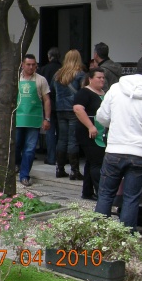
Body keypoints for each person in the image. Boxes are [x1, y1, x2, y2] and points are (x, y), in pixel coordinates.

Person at [95, 55, 142, 232]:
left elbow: (102, 117)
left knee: (105, 194)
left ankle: (99, 234)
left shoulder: (116, 89)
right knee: (132, 197)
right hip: (140, 152)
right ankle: (125, 238)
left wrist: (116, 124)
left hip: (115, 149)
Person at [15, 54, 51, 187]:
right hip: (18, 118)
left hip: (34, 119)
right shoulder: (16, 79)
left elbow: (47, 100)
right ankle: (17, 164)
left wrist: (47, 118)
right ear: (22, 65)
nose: (31, 67)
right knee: (17, 145)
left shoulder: (41, 80)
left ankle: (24, 175)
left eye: (33, 64)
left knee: (30, 149)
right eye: (28, 64)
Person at [73, 67, 107, 200]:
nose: (102, 80)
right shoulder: (84, 93)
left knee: (91, 162)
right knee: (97, 162)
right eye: (99, 77)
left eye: (103, 77)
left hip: (101, 132)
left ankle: (87, 192)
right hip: (88, 132)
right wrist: (90, 126)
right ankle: (101, 193)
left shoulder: (103, 93)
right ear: (90, 79)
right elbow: (78, 109)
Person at [52, 49, 86, 179]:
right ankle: (74, 171)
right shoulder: (80, 74)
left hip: (60, 109)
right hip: (74, 109)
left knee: (62, 138)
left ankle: (59, 169)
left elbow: (53, 90)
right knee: (73, 140)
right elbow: (83, 92)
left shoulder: (58, 74)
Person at [39, 47, 61, 166]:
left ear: (49, 57)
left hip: (48, 103)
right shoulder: (63, 70)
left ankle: (51, 157)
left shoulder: (43, 70)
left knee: (50, 131)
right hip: (62, 104)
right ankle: (62, 157)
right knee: (62, 133)